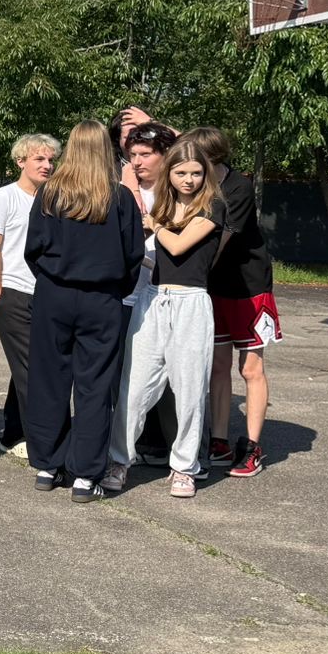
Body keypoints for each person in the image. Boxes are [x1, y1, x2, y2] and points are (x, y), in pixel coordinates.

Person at [23, 120, 145, 503]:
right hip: (101, 299)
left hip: (54, 295)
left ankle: (48, 465)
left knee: (49, 380)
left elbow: (33, 248)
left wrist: (53, 280)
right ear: (106, 151)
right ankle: (85, 475)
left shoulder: (50, 193)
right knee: (95, 386)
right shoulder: (119, 197)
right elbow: (133, 254)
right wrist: (113, 290)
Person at [106, 138, 223, 499]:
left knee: (189, 390)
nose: (189, 180)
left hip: (191, 304)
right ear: (169, 174)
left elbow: (177, 245)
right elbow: (157, 258)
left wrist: (153, 224)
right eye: (181, 172)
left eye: (196, 173)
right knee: (134, 388)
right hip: (153, 299)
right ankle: (119, 461)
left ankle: (184, 468)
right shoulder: (163, 209)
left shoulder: (213, 207)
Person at [187, 126, 276, 478]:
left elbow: (221, 239)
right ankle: (219, 440)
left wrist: (187, 267)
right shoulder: (196, 182)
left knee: (250, 368)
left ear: (213, 157)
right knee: (218, 366)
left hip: (249, 286)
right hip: (214, 286)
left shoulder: (237, 187)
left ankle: (252, 446)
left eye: (196, 158)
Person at [0, 133, 59, 462]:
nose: (47, 165)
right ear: (21, 161)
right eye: (39, 159)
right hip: (13, 293)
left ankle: (13, 433)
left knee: (28, 365)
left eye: (51, 160)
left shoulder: (54, 199)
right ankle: (43, 444)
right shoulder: (4, 198)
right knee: (32, 370)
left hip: (46, 295)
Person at [116, 120, 182, 467]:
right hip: (127, 297)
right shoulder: (120, 190)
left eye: (144, 154)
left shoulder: (181, 192)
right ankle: (121, 450)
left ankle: (168, 447)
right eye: (132, 155)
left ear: (165, 155)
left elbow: (202, 150)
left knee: (169, 380)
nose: (136, 162)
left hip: (168, 296)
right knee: (128, 376)